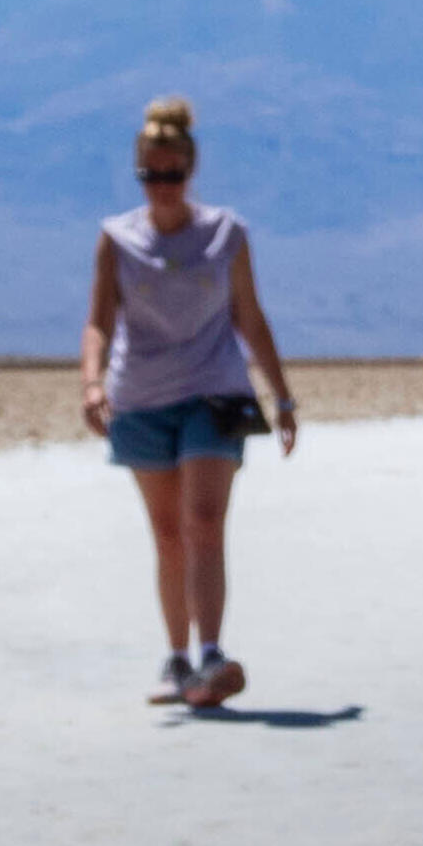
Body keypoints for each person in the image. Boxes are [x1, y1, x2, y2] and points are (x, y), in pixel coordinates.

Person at [81, 96, 296, 709]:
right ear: (138, 174)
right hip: (141, 398)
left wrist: (281, 397)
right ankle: (177, 660)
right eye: (152, 175)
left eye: (173, 173)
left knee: (204, 521)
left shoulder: (226, 234)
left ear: (191, 171)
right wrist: (91, 383)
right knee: (168, 534)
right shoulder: (116, 239)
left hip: (214, 392)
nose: (164, 186)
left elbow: (250, 319)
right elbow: (97, 321)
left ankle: (211, 655)